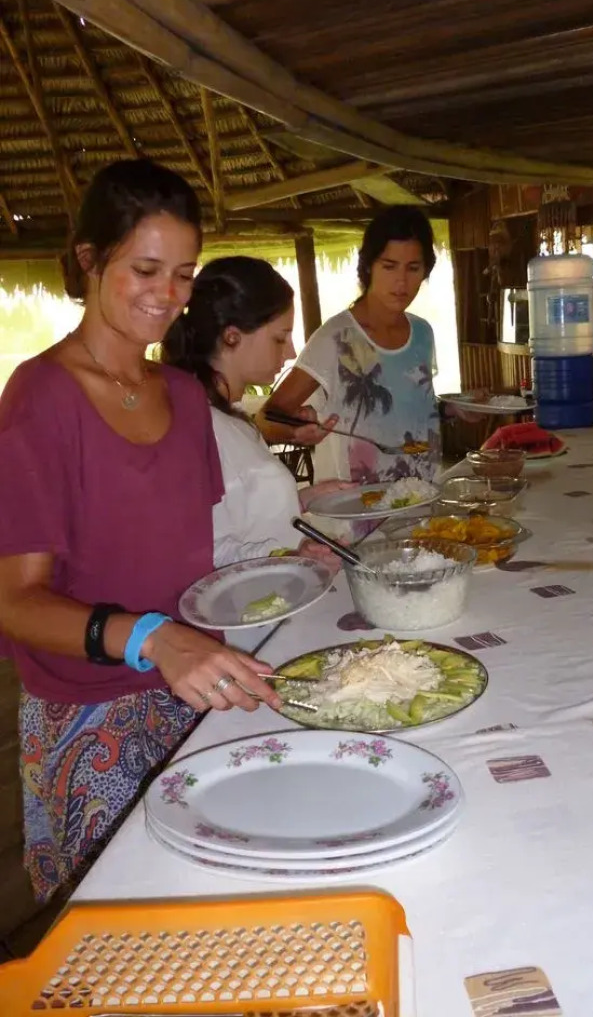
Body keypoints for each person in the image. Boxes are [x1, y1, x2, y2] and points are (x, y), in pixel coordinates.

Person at [0, 160, 279, 904]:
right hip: (89, 709)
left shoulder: (186, 399)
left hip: (190, 686)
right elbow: (17, 601)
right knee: (129, 929)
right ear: (90, 259)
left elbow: (192, 565)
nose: (169, 296)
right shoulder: (41, 399)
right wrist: (153, 636)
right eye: (146, 269)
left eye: (184, 274)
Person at [161, 255, 348, 567]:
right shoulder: (199, 427)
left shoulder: (230, 416)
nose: (289, 353)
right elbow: (206, 549)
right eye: (280, 338)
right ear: (232, 336)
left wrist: (304, 498)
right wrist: (287, 557)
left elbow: (240, 512)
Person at [258, 205, 441, 483]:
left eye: (413, 268)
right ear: (368, 266)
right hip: (353, 514)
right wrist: (296, 432)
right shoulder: (336, 338)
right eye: (389, 266)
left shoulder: (422, 333)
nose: (401, 281)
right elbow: (266, 419)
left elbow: (408, 405)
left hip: (422, 503)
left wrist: (452, 409)